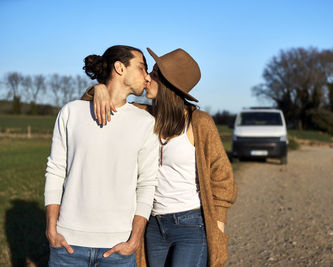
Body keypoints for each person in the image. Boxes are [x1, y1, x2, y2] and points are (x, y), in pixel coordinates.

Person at [83, 47, 237, 267]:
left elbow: (222, 179)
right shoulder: (143, 116)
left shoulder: (199, 122)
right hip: (153, 226)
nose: (147, 78)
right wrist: (98, 89)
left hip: (191, 225)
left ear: (168, 84)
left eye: (154, 75)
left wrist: (218, 229)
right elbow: (106, 100)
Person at [44, 45, 159, 267]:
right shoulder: (71, 112)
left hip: (119, 248)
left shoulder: (145, 122)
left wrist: (135, 239)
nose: (147, 77)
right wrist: (51, 228)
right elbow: (55, 170)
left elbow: (147, 183)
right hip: (67, 244)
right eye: (142, 68)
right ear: (119, 68)